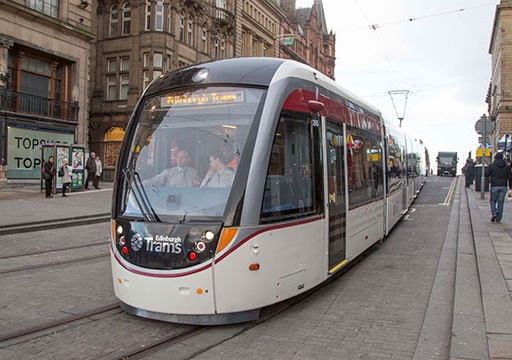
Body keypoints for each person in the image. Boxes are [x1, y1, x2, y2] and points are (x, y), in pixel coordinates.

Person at [485, 151, 512, 224]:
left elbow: (486, 174)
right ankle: (498, 219)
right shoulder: (507, 167)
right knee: (501, 202)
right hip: (503, 186)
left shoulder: (492, 166)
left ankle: (494, 211)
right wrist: (510, 186)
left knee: (493, 200)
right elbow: (510, 177)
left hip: (494, 185)